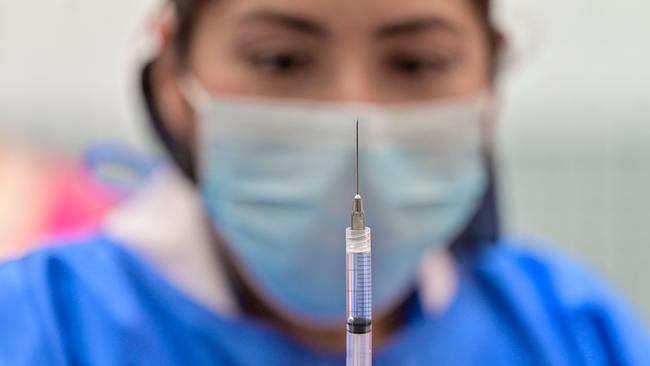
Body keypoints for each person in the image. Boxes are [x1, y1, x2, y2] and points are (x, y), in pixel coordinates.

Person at [1, 0, 649, 364]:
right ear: (172, 75)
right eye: (280, 60)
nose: (351, 122)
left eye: (416, 62)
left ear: (490, 81)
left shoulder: (569, 333)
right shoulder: (42, 329)